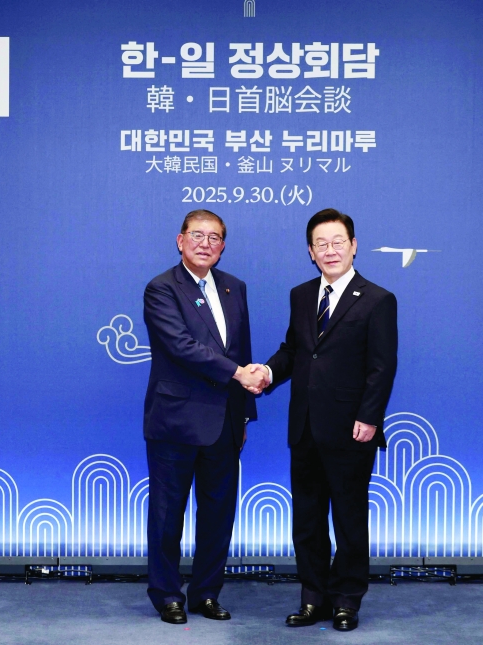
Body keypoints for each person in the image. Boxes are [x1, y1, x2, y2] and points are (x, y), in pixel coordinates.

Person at [256, 208, 398, 632]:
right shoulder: (301, 295)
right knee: (308, 518)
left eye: (339, 242)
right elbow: (294, 351)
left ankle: (347, 600)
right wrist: (267, 372)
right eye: (322, 244)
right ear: (310, 252)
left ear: (354, 246)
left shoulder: (377, 299)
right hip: (305, 426)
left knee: (350, 520)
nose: (330, 250)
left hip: (352, 429)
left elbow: (382, 366)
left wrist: (370, 417)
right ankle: (313, 597)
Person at [142, 209, 268, 624]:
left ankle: (206, 593)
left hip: (225, 422)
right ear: (180, 241)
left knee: (218, 514)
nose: (205, 243)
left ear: (223, 246)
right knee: (167, 515)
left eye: (215, 238)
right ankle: (167, 595)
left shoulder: (235, 287)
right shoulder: (161, 288)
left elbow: (242, 350)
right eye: (197, 235)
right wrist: (237, 373)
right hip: (175, 420)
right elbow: (180, 346)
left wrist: (245, 415)